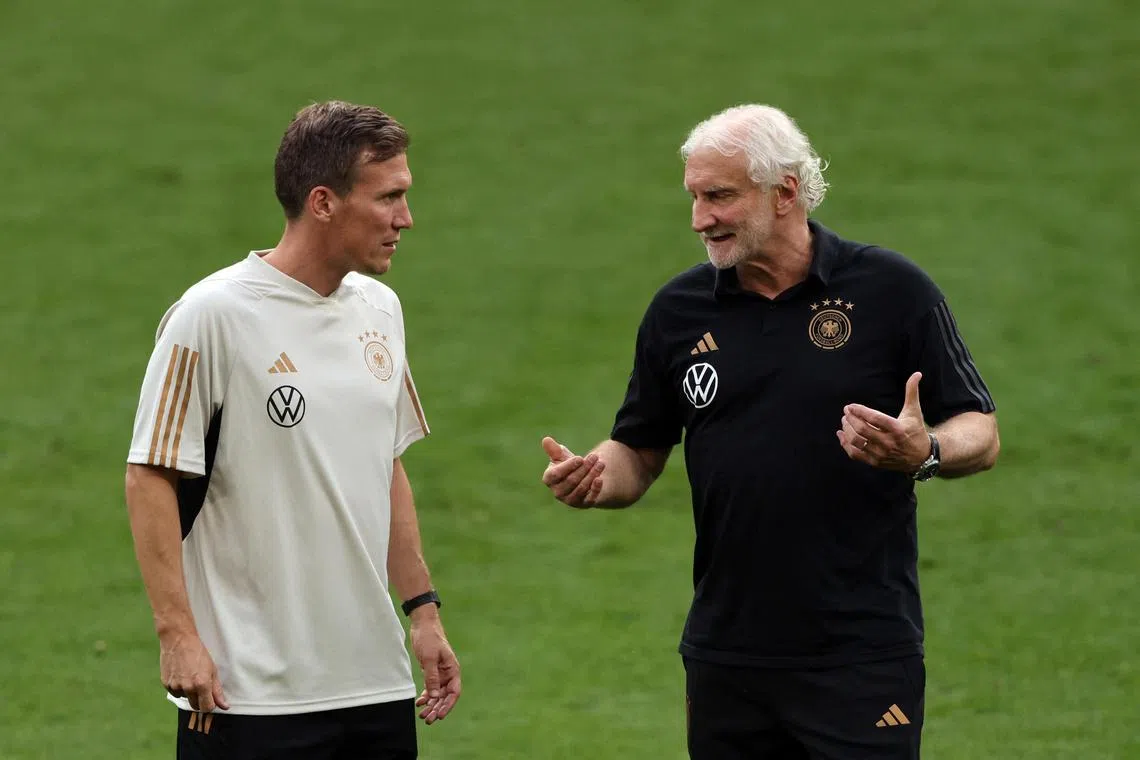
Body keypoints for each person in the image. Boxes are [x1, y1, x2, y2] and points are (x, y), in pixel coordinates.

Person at [540, 104, 999, 760]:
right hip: (727, 656)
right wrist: (596, 475)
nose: (701, 218)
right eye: (695, 197)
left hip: (860, 654)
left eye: (720, 196)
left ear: (785, 191)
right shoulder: (679, 312)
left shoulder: (891, 291)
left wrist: (924, 451)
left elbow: (980, 429)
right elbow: (638, 449)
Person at [125, 100, 460, 759]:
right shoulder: (213, 315)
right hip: (250, 693)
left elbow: (384, 464)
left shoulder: (380, 310)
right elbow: (149, 474)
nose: (405, 219)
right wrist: (177, 635)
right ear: (324, 202)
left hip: (374, 686)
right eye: (388, 198)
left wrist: (423, 610)